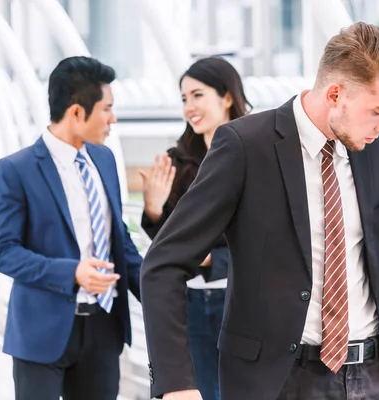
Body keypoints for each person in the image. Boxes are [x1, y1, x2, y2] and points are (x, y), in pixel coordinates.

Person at [140, 22, 379, 400]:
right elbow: (164, 264)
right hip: (278, 382)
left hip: (375, 377)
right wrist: (176, 385)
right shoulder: (244, 147)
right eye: (378, 112)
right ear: (335, 94)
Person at [0, 56, 142, 400]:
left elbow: (119, 240)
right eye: (106, 109)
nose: (112, 119)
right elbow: (5, 252)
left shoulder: (105, 160)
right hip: (40, 333)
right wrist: (72, 272)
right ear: (76, 112)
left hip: (104, 329)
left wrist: (158, 290)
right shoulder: (15, 170)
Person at [139, 56, 251, 400]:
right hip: (194, 303)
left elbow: (266, 238)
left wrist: (210, 260)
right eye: (184, 99)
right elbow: (169, 249)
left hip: (244, 302)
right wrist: (154, 211)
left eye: (198, 95)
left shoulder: (258, 153)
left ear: (227, 97)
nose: (189, 107)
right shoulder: (177, 160)